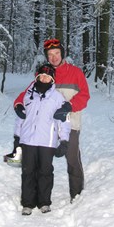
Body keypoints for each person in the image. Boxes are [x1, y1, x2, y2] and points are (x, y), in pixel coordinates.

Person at [14, 39, 90, 203]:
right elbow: (26, 94)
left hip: (70, 125)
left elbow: (84, 96)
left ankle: (76, 195)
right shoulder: (44, 74)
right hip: (45, 129)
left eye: (56, 53)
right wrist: (18, 105)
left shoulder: (75, 72)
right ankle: (35, 196)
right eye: (50, 54)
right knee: (39, 164)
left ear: (62, 53)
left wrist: (69, 106)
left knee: (72, 159)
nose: (54, 57)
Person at [13, 63, 72, 216]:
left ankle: (44, 202)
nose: (44, 79)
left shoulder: (58, 98)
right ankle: (27, 203)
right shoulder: (27, 95)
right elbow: (20, 119)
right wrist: (17, 137)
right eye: (42, 76)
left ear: (52, 79)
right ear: (37, 77)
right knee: (28, 171)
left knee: (45, 171)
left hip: (47, 141)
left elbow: (64, 120)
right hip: (28, 140)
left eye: (48, 76)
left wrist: (64, 140)